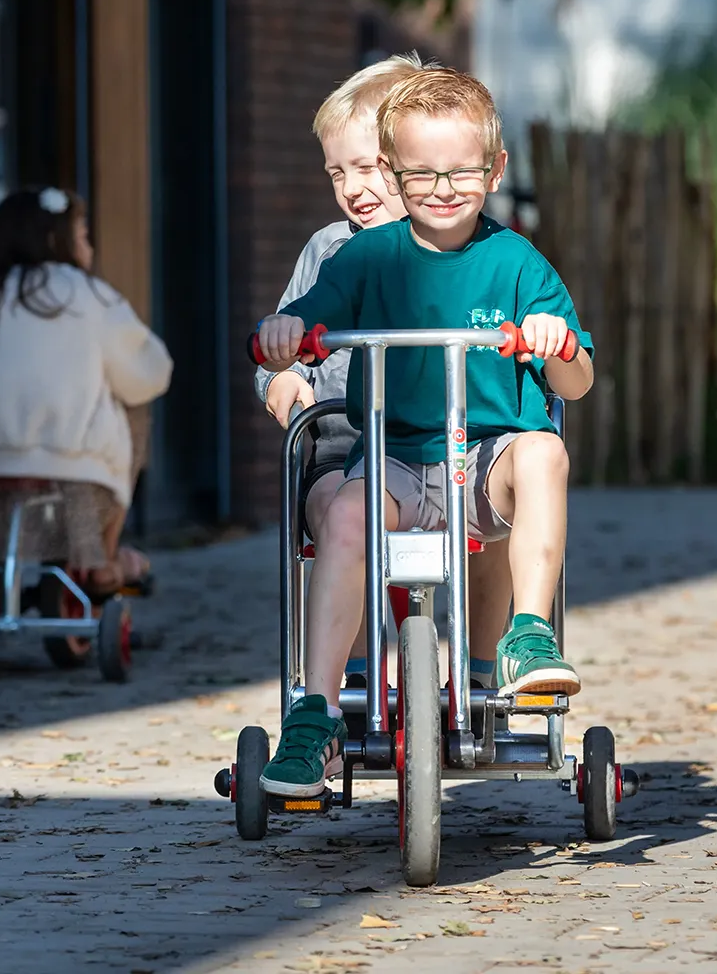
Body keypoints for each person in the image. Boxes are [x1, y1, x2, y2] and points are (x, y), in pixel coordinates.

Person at [254, 68, 594, 796]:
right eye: (420, 174)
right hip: (398, 458)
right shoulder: (368, 257)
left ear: (495, 170)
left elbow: (578, 381)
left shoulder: (515, 261)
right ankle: (314, 714)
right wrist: (287, 335)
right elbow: (310, 315)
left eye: (461, 172)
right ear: (398, 172)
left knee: (545, 451)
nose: (442, 188)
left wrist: (555, 344)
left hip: (485, 460)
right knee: (346, 513)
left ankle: (527, 636)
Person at [256, 53, 514, 696]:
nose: (353, 187)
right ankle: (354, 677)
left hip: (452, 433)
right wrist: (284, 380)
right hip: (348, 430)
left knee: (503, 522)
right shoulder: (329, 249)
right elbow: (286, 340)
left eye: (369, 167)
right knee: (329, 508)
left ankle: (481, 673)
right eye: (337, 171)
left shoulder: (475, 247)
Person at [0, 187, 174, 604]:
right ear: (59, 241)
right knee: (133, 407)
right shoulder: (88, 295)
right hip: (78, 480)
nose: (88, 247)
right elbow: (151, 372)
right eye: (82, 236)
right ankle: (103, 559)